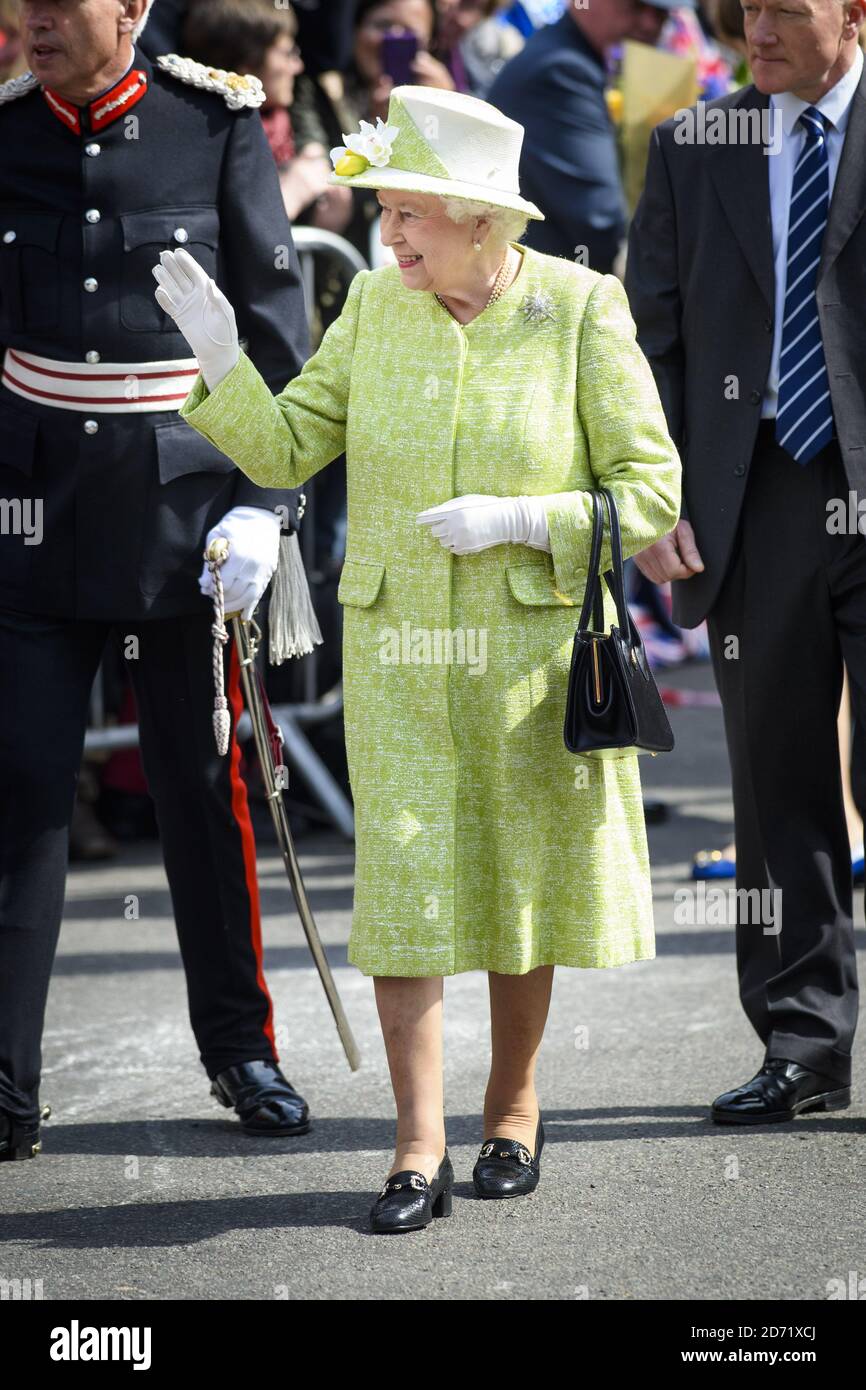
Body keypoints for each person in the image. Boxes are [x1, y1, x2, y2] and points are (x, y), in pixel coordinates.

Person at [153, 84, 681, 1230]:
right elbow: (290, 444)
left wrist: (522, 517)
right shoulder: (372, 312)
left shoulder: (580, 309)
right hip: (395, 650)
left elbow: (649, 495)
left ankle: (514, 1110)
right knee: (402, 888)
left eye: (407, 215)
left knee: (512, 885)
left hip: (528, 657)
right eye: (384, 212)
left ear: (481, 220)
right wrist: (217, 360)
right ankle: (412, 1149)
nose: (386, 237)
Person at [0, 0, 313, 1161]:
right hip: (32, 518)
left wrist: (263, 504)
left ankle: (241, 1051)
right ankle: (5, 1086)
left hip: (185, 519)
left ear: (131, 9)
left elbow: (278, 337)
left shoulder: (213, 124)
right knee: (23, 792)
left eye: (57, 3)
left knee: (201, 789)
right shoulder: (5, 132)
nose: (30, 20)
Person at [626, 0, 866, 1123]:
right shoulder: (690, 143)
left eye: (782, 8)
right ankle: (802, 1043)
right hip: (753, 494)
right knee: (775, 785)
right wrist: (650, 498)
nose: (752, 30)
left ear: (853, 13)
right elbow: (651, 338)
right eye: (740, 9)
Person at [487, 0, 693, 271]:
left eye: (662, 13)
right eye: (637, 7)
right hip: (553, 291)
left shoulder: (571, 56)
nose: (650, 23)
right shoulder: (561, 70)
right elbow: (600, 221)